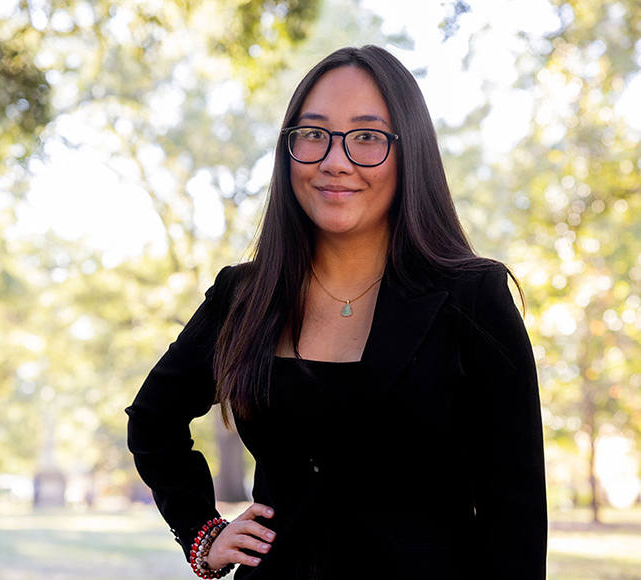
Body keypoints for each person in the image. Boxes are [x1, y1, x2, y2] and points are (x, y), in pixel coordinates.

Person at [125, 45, 546, 580]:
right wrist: (202, 534)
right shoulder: (244, 295)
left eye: (366, 136)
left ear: (408, 151)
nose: (335, 160)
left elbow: (516, 509)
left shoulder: (472, 296)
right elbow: (153, 422)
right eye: (313, 134)